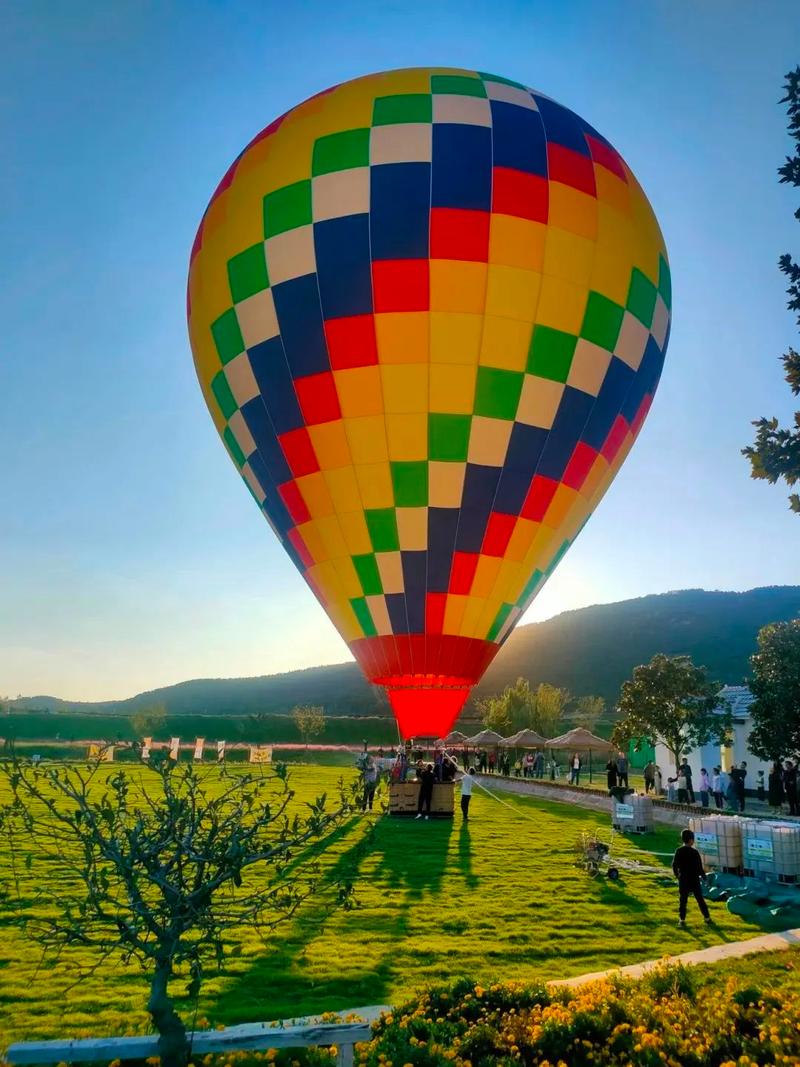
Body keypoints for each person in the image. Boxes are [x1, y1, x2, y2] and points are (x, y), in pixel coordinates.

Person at [672, 828, 712, 927]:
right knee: (700, 899)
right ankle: (707, 917)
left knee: (683, 900)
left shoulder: (679, 851)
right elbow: (699, 868)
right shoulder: (694, 852)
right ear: (691, 840)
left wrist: (678, 876)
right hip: (694, 879)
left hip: (683, 879)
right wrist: (704, 878)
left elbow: (674, 865)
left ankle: (682, 920)